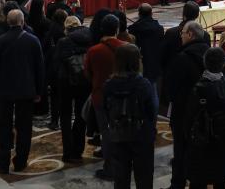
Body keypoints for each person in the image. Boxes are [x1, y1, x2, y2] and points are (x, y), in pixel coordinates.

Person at [0, 10, 45, 174]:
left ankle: (3, 162)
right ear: (22, 21)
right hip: (26, 90)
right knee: (25, 127)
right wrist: (39, 91)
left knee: (4, 126)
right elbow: (39, 69)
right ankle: (21, 161)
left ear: (8, 21)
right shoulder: (33, 40)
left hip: (4, 90)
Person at [102, 43, 157, 189]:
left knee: (120, 177)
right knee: (144, 176)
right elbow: (151, 111)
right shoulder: (144, 84)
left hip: (118, 133)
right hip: (141, 135)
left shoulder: (109, 84)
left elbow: (105, 109)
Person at [165, 21, 210, 189]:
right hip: (203, 112)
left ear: (190, 34)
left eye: (183, 32)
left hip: (182, 111)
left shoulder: (182, 58)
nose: (181, 35)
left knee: (180, 149)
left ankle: (178, 183)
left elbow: (171, 87)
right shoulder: (210, 54)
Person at [84, 14, 128, 180]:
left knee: (106, 133)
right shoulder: (127, 48)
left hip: (100, 96)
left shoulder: (94, 51)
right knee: (123, 132)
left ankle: (110, 168)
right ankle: (124, 165)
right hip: (123, 96)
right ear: (117, 30)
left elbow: (87, 74)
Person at [184, 48, 225, 189]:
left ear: (205, 63)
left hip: (201, 141)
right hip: (222, 139)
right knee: (220, 181)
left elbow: (189, 118)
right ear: (223, 64)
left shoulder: (198, 88)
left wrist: (187, 136)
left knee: (198, 181)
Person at [53, 16, 92, 163]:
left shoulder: (63, 42)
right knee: (81, 115)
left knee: (65, 116)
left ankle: (68, 151)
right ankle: (78, 149)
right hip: (85, 82)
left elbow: (56, 64)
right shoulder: (90, 37)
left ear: (67, 28)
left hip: (66, 83)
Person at [127, 3, 165, 86]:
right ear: (151, 14)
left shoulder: (133, 29)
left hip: (140, 65)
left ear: (139, 14)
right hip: (156, 64)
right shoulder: (160, 29)